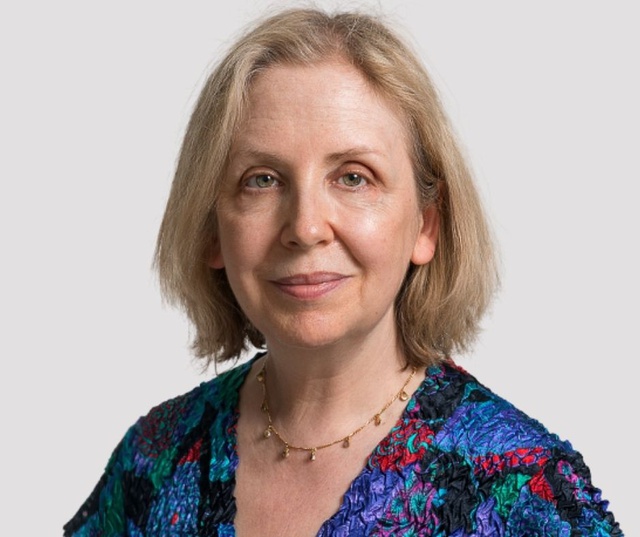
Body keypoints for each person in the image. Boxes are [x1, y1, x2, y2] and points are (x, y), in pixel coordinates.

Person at [63, 8, 622, 536]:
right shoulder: (153, 460)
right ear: (211, 229)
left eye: (354, 177)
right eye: (261, 179)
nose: (306, 227)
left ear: (425, 226)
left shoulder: (523, 489)